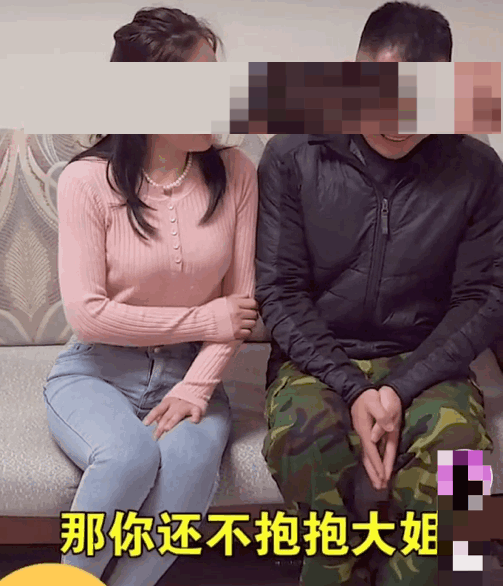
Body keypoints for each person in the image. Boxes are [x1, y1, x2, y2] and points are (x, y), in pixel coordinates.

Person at [255, 2, 503, 585]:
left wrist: (398, 388)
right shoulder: (293, 153)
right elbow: (279, 290)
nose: (398, 124)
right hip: (318, 360)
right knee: (303, 442)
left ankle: (431, 573)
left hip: (428, 359)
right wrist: (354, 387)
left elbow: (484, 297)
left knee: (463, 458)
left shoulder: (476, 166)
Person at [42, 7, 259, 586]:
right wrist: (203, 318)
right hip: (96, 372)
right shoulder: (86, 181)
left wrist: (196, 385)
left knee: (187, 469)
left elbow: (240, 308)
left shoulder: (237, 172)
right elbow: (88, 315)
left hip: (192, 374)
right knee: (128, 456)